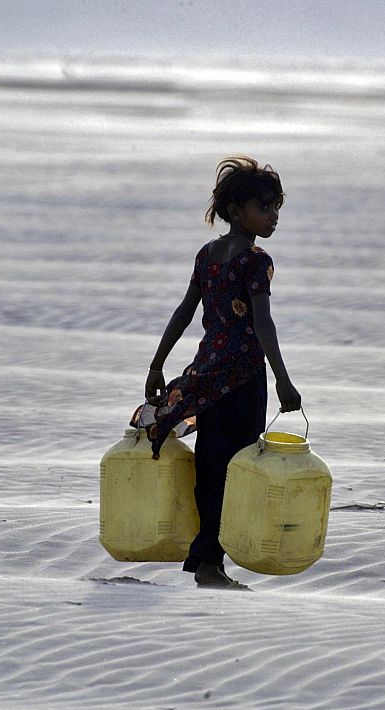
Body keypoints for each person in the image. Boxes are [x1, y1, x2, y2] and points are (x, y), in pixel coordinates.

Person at [143, 155, 301, 589]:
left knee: (213, 466)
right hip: (243, 378)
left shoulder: (208, 255)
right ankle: (209, 562)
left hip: (208, 373)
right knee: (237, 467)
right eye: (264, 208)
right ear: (236, 211)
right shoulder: (255, 260)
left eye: (275, 209)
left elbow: (183, 313)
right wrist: (283, 379)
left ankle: (207, 558)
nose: (272, 217)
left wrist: (158, 364)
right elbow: (262, 323)